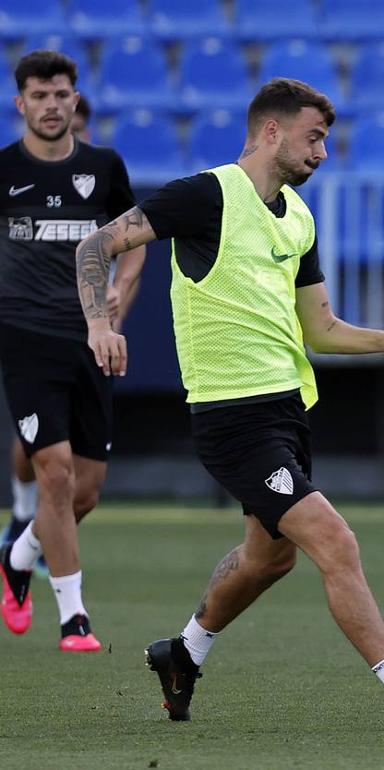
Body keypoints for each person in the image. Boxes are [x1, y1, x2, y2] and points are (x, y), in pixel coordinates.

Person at [74, 78, 384, 730]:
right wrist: (98, 324)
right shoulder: (206, 194)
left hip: (287, 409)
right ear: (272, 131)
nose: (324, 153)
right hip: (232, 416)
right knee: (335, 542)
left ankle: (183, 653)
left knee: (269, 557)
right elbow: (95, 246)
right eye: (315, 138)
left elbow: (321, 329)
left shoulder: (300, 217)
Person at [0, 50, 145, 651]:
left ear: (75, 98)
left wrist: (120, 299)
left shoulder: (104, 167)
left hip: (90, 340)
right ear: (21, 103)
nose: (52, 105)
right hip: (26, 336)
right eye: (40, 95)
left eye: (62, 94)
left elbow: (136, 240)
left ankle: (17, 554)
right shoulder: (3, 169)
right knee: (53, 473)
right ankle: (74, 617)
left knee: (85, 492)